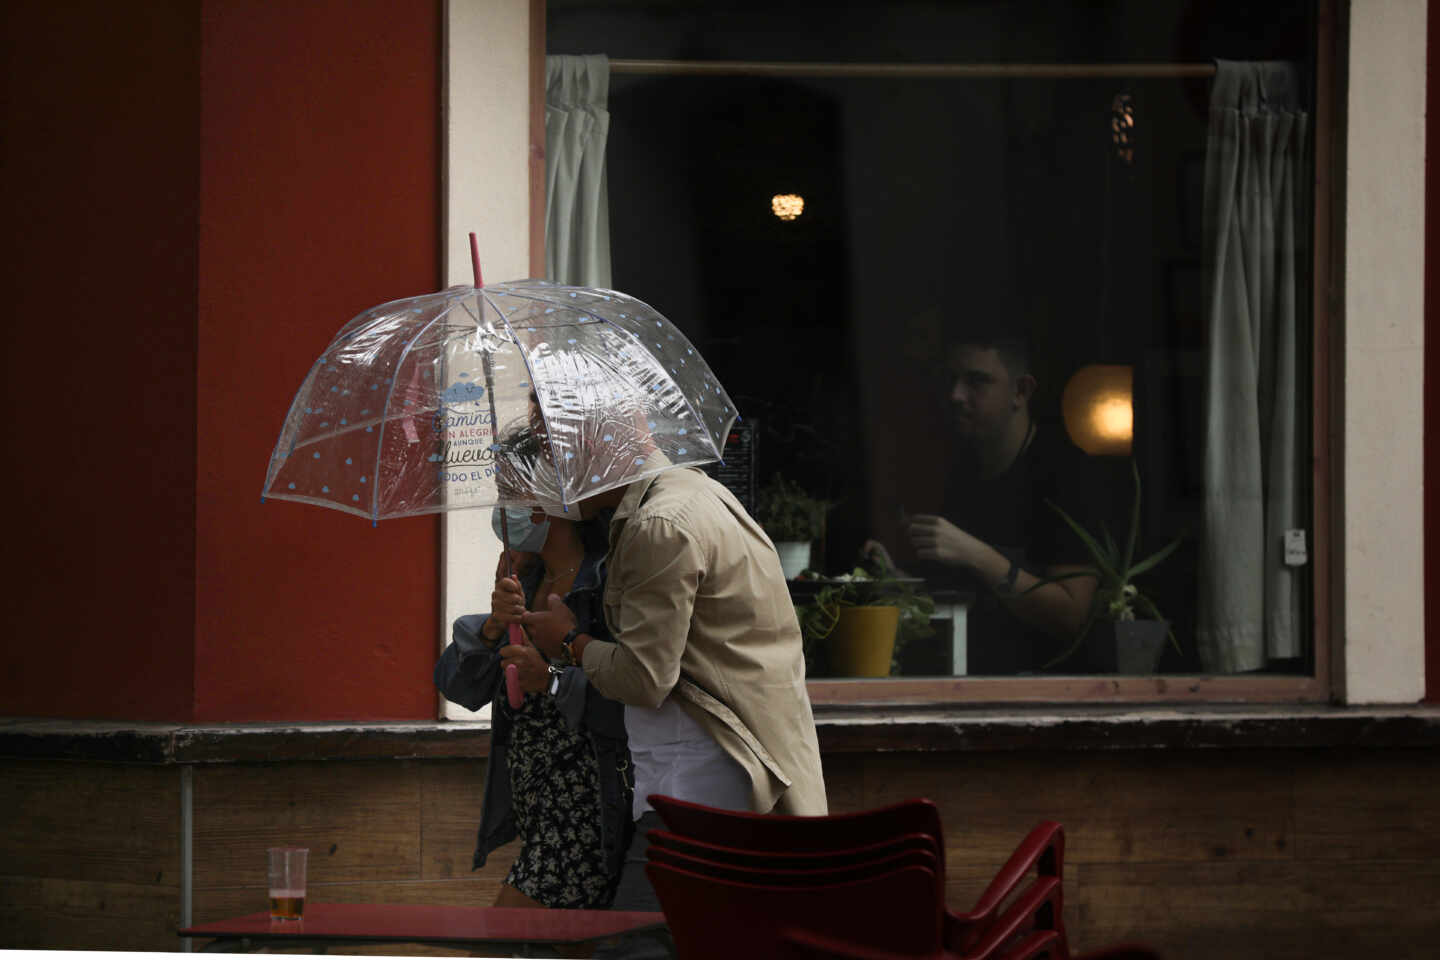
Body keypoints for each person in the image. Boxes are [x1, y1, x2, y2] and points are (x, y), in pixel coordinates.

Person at [503, 451, 827, 948]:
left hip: (702, 790)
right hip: (716, 779)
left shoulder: (659, 525)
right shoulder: (696, 495)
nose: (554, 473)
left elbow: (644, 679)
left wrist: (569, 643)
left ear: (599, 447)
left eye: (559, 453)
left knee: (636, 945)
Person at [433, 427, 632, 913]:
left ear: (551, 500)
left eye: (512, 491)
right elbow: (460, 688)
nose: (505, 508)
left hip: (585, 807)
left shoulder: (607, 583)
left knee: (509, 933)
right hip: (537, 808)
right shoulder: (524, 579)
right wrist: (494, 627)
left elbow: (635, 689)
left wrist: (556, 677)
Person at [865, 334, 1106, 674]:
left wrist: (974, 553)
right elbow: (959, 601)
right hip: (970, 683)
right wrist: (900, 583)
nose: (956, 395)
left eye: (976, 381)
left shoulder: (1066, 475)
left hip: (1049, 694)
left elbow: (1070, 616)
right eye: (951, 380)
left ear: (1020, 392)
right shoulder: (963, 473)